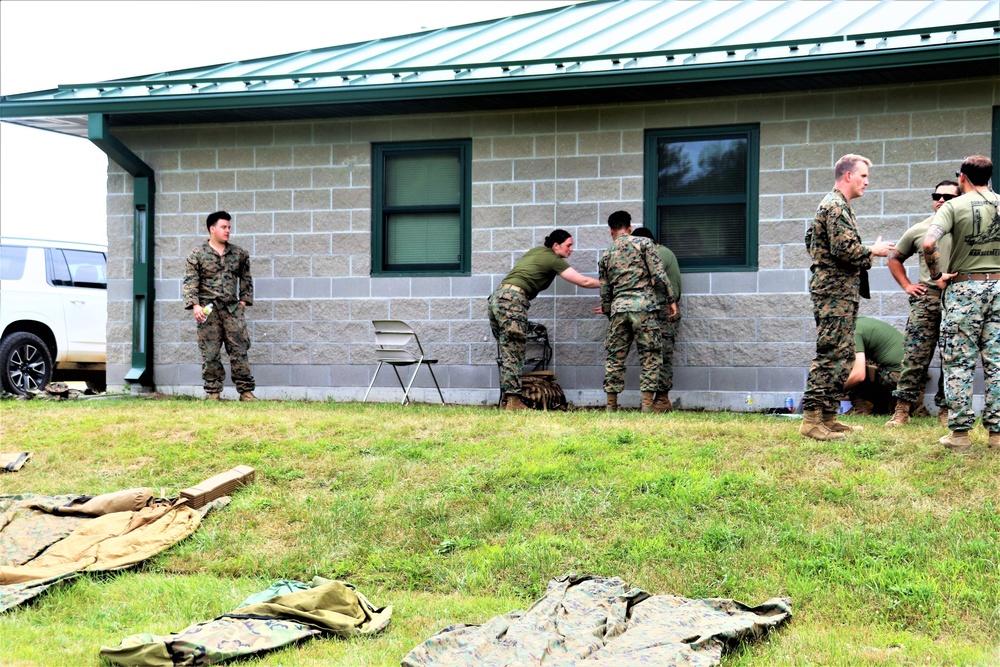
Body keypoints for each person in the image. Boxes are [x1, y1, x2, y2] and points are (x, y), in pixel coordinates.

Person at [800, 154, 894, 441]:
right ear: (848, 176)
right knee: (830, 353)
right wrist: (872, 252)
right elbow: (843, 250)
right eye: (863, 176)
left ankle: (828, 417)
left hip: (840, 292)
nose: (867, 182)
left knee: (841, 354)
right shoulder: (835, 206)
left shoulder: (838, 206)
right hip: (834, 294)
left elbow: (811, 240)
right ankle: (811, 421)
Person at [923, 155, 1000, 453]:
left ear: (962, 178)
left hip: (965, 288)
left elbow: (929, 243)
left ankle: (959, 434)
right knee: (996, 362)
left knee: (959, 361)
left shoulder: (954, 205)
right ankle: (996, 435)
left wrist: (936, 274)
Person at [488, 229, 599, 411]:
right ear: (556, 245)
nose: (571, 249)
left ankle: (507, 401)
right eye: (568, 245)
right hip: (512, 300)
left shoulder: (536, 251)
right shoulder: (553, 258)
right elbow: (583, 281)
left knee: (508, 350)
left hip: (497, 298)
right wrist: (608, 284)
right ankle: (514, 402)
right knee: (514, 351)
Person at [885, 180, 960, 427]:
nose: (941, 200)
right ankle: (902, 410)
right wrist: (907, 285)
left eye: (948, 197)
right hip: (926, 300)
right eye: (937, 195)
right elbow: (894, 257)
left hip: (958, 300)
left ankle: (945, 411)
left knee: (952, 357)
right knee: (914, 358)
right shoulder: (921, 229)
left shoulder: (966, 230)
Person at [598, 211, 676, 413]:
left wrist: (610, 312)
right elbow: (659, 274)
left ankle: (611, 406)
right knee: (650, 355)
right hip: (644, 306)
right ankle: (647, 405)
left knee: (615, 357)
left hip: (619, 308)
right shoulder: (644, 244)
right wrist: (671, 299)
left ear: (611, 231)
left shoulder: (606, 254)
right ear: (630, 227)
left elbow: (605, 292)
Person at [183, 211, 256, 402]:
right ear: (212, 229)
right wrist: (196, 306)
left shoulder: (239, 254)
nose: (228, 231)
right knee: (210, 352)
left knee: (239, 351)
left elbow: (246, 279)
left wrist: (243, 302)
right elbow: (191, 282)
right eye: (224, 227)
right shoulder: (197, 255)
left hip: (232, 310)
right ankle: (213, 393)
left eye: (229, 227)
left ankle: (246, 392)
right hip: (209, 312)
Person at [631, 226, 682, 412]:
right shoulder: (659, 252)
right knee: (654, 354)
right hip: (656, 309)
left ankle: (662, 400)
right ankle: (655, 400)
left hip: (663, 311)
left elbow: (646, 279)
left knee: (662, 355)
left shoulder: (660, 253)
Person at [843, 317, 903, 416]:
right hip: (911, 377)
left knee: (849, 370)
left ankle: (860, 409)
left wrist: (836, 390)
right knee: (868, 367)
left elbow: (859, 375)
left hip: (897, 378)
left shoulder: (852, 331)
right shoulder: (860, 323)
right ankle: (882, 408)